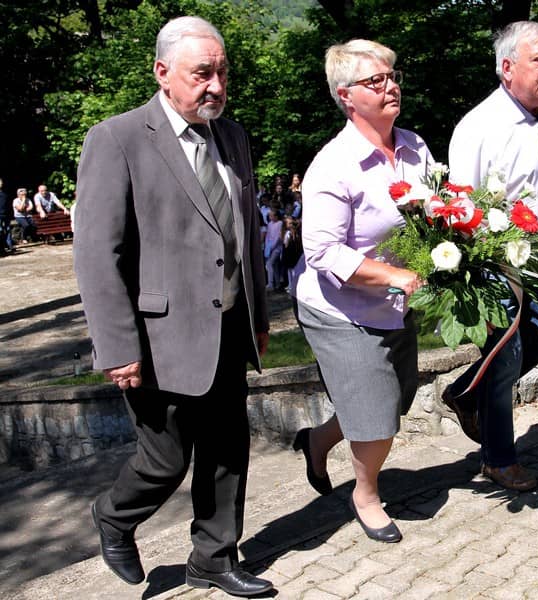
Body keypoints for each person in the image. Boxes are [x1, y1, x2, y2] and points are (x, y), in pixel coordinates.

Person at [73, 16, 273, 597]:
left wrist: (258, 316)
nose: (216, 86)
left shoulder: (232, 137)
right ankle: (114, 515)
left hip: (228, 323)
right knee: (164, 459)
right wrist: (117, 346)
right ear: (163, 73)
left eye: (222, 73)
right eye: (202, 73)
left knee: (227, 450)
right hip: (157, 337)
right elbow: (98, 253)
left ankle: (214, 557)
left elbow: (244, 233)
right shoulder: (118, 138)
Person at [293, 39, 427, 543]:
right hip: (340, 307)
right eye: (376, 81)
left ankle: (316, 440)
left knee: (395, 398)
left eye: (392, 76)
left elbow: (433, 211)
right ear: (346, 96)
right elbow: (323, 252)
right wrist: (392, 276)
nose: (390, 86)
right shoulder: (333, 165)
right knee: (377, 418)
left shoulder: (415, 148)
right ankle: (366, 496)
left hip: (396, 302)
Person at [441, 21, 538, 492]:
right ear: (508, 67)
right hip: (493, 259)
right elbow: (460, 200)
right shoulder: (479, 126)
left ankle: (464, 393)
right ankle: (499, 458)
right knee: (506, 355)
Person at [0, 178, 11, 254]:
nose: (1, 183)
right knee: (0, 231)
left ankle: (9, 246)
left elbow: (7, 205)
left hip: (5, 214)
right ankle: (2, 248)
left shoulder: (4, 194)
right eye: (0, 182)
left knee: (7, 230)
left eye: (1, 182)